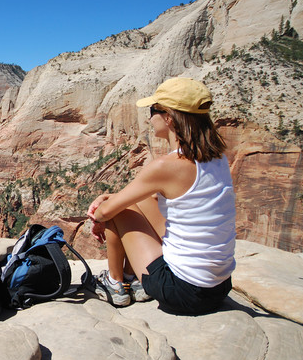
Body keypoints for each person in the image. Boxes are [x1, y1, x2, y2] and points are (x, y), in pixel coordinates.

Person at [87, 77, 236, 314]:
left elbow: (106, 212)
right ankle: (133, 279)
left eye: (152, 110)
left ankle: (115, 283)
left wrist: (101, 210)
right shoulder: (218, 159)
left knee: (116, 209)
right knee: (127, 201)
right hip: (219, 286)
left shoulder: (168, 166)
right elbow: (149, 198)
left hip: (182, 291)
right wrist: (110, 195)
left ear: (169, 118)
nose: (149, 118)